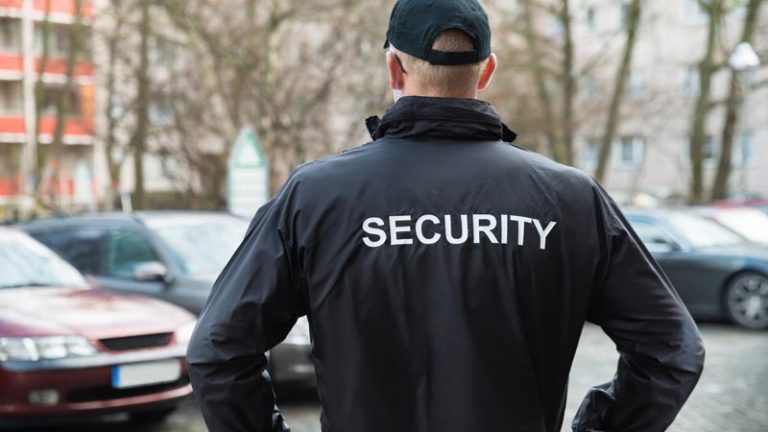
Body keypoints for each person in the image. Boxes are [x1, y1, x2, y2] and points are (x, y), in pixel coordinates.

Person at [187, 0, 705, 431]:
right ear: (486, 70)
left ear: (393, 67)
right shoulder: (568, 198)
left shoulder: (316, 195)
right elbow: (672, 351)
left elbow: (218, 351)